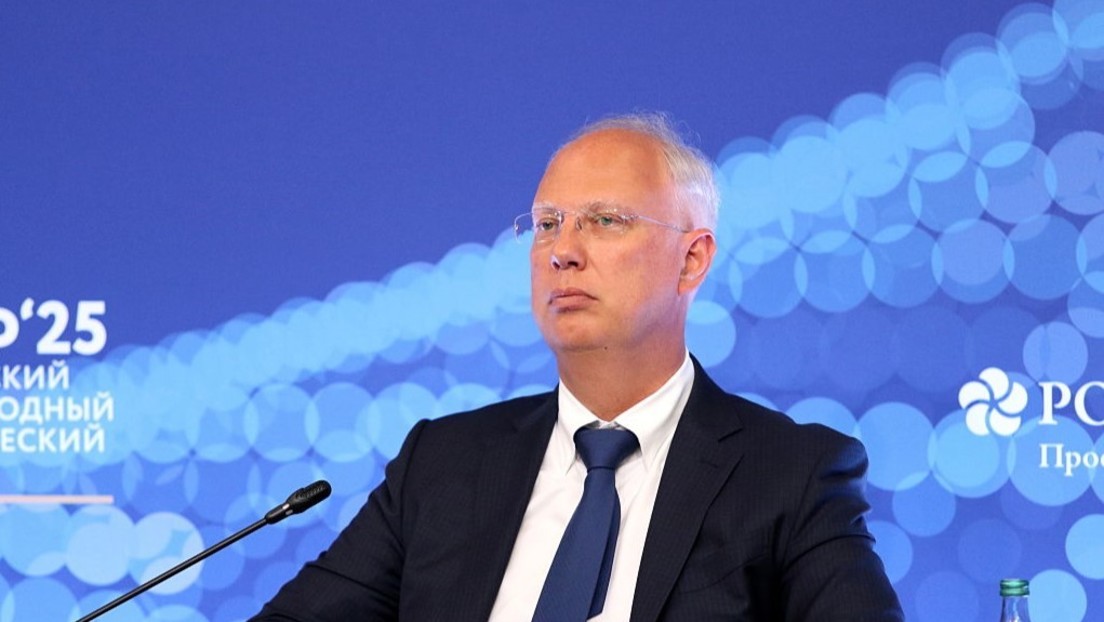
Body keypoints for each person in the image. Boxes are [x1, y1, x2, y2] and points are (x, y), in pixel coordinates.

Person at [251, 113, 904, 621]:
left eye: (605, 221)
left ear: (692, 260)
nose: (563, 251)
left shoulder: (789, 475)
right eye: (546, 225)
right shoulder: (443, 463)